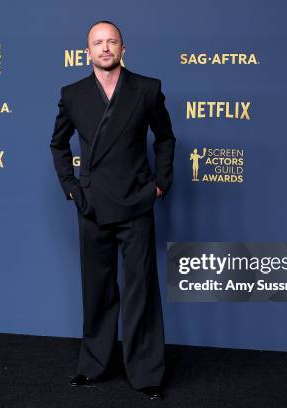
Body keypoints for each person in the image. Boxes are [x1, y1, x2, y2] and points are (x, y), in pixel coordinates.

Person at [49, 20, 175, 400]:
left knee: (141, 291)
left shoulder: (147, 89)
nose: (105, 48)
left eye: (112, 41)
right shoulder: (72, 94)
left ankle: (147, 373)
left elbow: (166, 137)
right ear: (87, 52)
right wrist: (72, 189)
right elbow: (58, 144)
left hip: (136, 201)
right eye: (97, 43)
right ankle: (93, 367)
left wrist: (160, 183)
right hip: (92, 205)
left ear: (123, 48)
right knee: (97, 289)